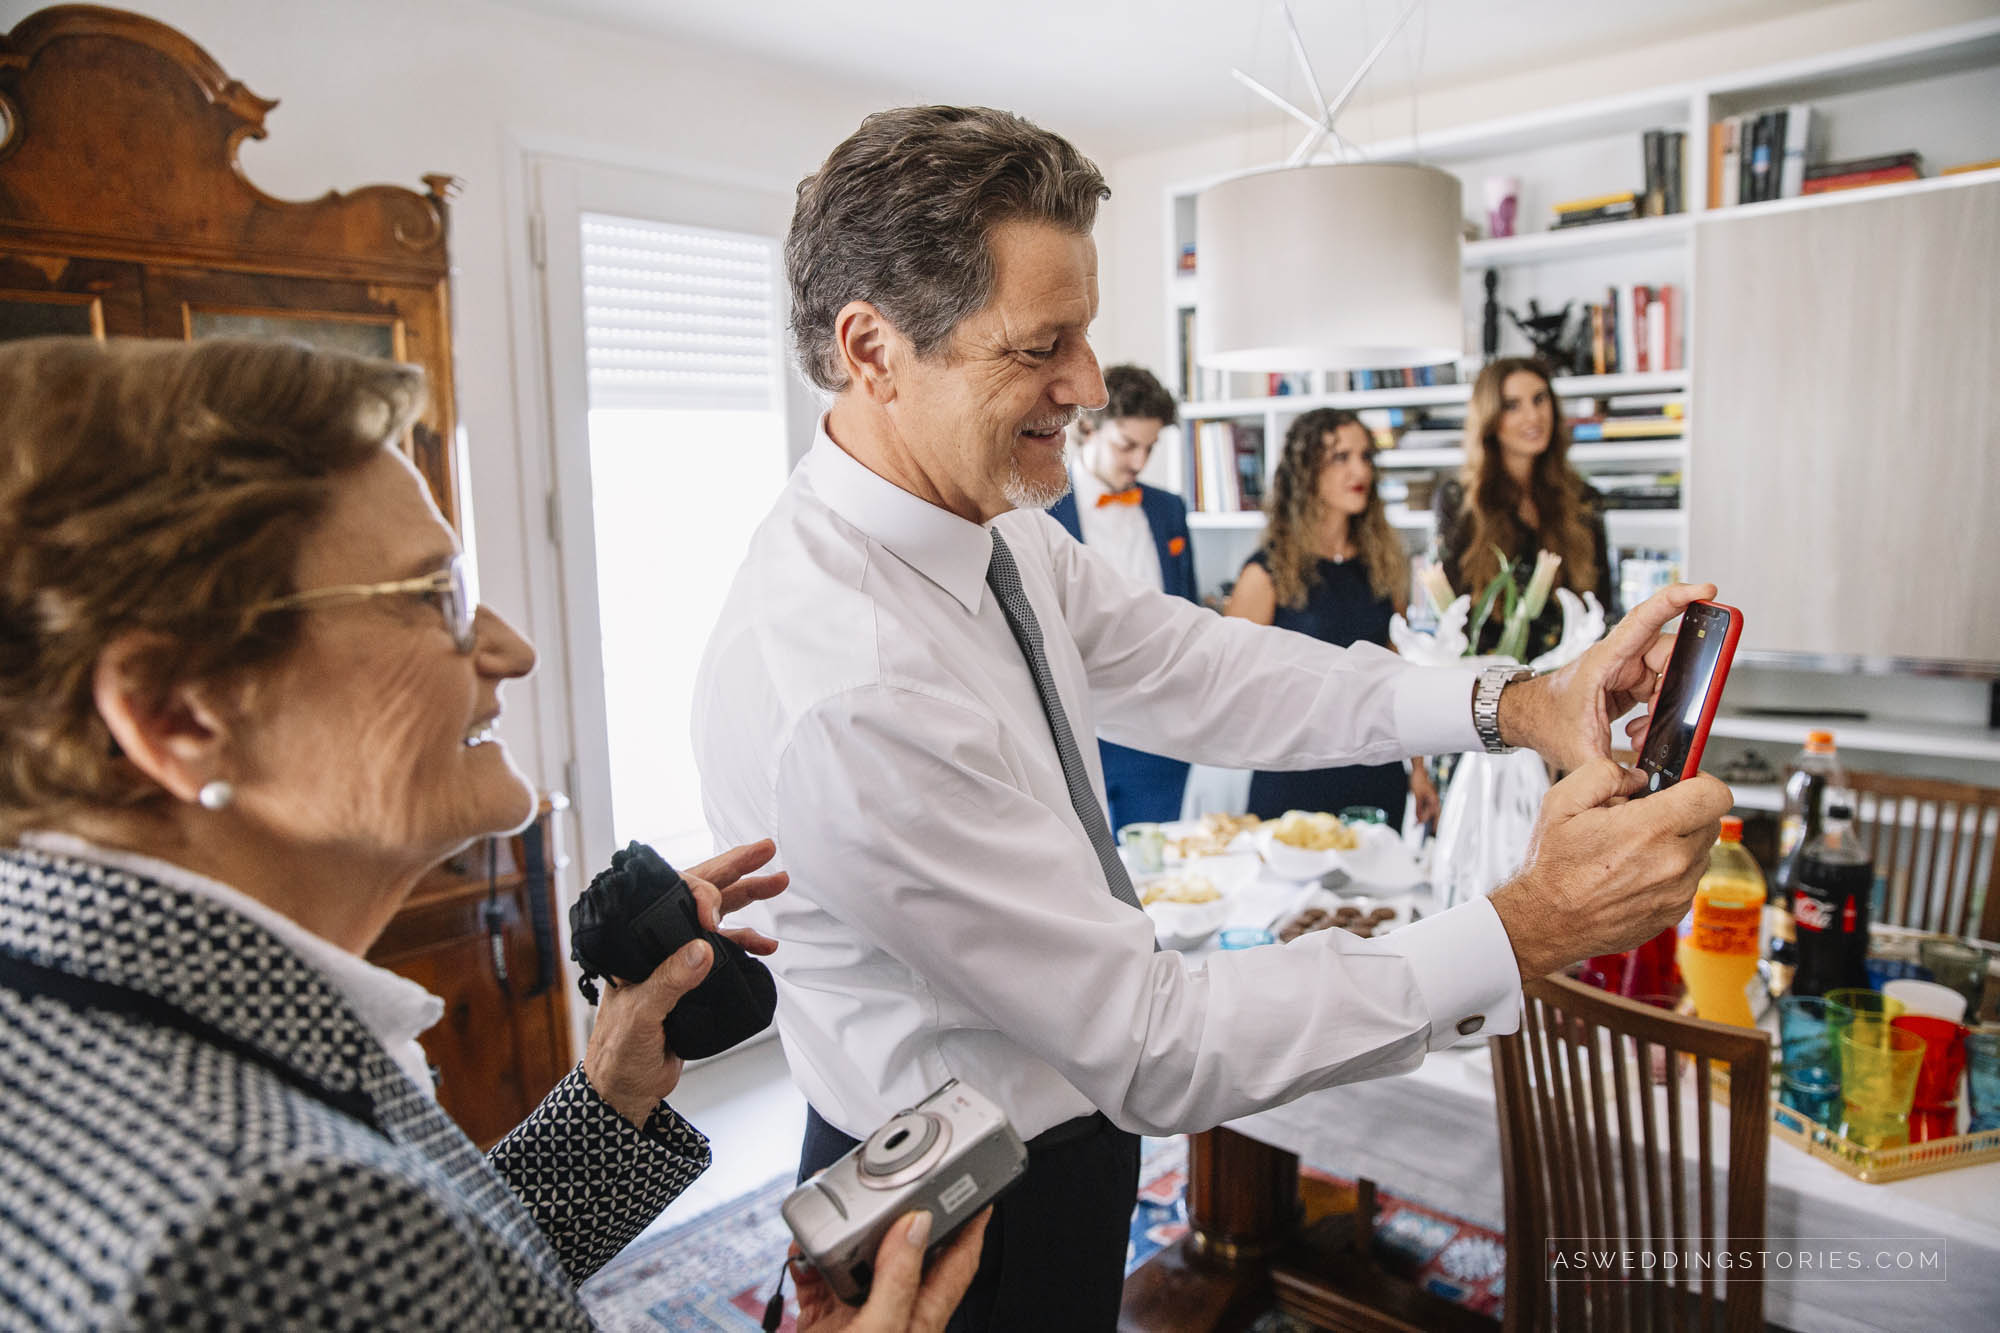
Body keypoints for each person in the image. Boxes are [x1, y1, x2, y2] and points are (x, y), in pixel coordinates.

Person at [692, 105, 1730, 1331]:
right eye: (1041, 345)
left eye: (1084, 333)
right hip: (947, 1221)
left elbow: (1196, 666)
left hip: (1062, 1140)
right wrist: (1529, 923)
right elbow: (1152, 1040)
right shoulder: (851, 691)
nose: (1088, 385)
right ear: (874, 349)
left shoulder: (989, 523)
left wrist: (1513, 701)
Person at [0, 336, 983, 1333]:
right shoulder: (250, 1218)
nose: (512, 649)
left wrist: (607, 1096)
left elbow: (421, 1272)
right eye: (435, 597)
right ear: (176, 712)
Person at [1224, 408, 1439, 828]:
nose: (1360, 470)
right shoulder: (1265, 574)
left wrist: (1418, 770)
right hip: (1294, 776)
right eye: (1341, 457)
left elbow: (1398, 677)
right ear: (1305, 473)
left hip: (1375, 772)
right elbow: (1233, 687)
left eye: (1365, 456)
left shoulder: (1382, 566)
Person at [1047, 364, 1195, 827]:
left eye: (1150, 448)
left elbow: (1187, 610)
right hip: (1073, 728)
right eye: (1127, 445)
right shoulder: (1037, 512)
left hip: (1159, 730)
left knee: (1160, 859)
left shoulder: (1169, 510)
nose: (1139, 463)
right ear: (1088, 427)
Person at [1434, 356, 1616, 660]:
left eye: (1540, 399)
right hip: (1489, 675)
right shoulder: (1458, 501)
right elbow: (1451, 617)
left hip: (1572, 672)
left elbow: (1602, 606)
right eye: (1512, 405)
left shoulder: (1584, 499)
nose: (1533, 416)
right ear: (1490, 418)